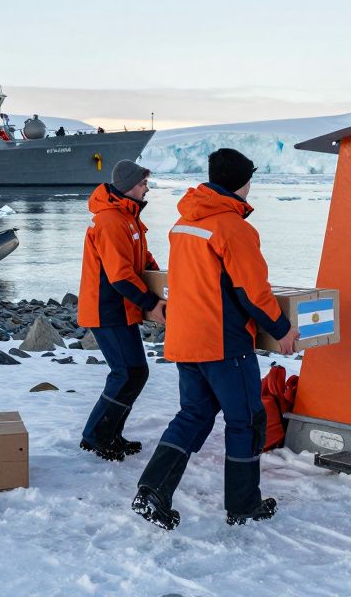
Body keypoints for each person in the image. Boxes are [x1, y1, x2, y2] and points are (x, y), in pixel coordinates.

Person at [132, 148, 299, 531]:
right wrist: (282, 330)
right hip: (222, 343)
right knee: (246, 420)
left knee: (193, 415)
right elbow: (252, 292)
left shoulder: (184, 223)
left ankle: (152, 490)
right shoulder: (233, 228)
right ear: (242, 182)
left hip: (185, 338)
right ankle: (243, 506)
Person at [77, 159, 166, 461]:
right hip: (107, 309)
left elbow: (141, 257)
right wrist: (152, 304)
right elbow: (119, 275)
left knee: (135, 372)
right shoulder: (111, 220)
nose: (146, 188)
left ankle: (108, 432)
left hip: (119, 308)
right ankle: (97, 435)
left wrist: (164, 278)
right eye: (143, 184)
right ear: (129, 186)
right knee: (126, 373)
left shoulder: (127, 217)